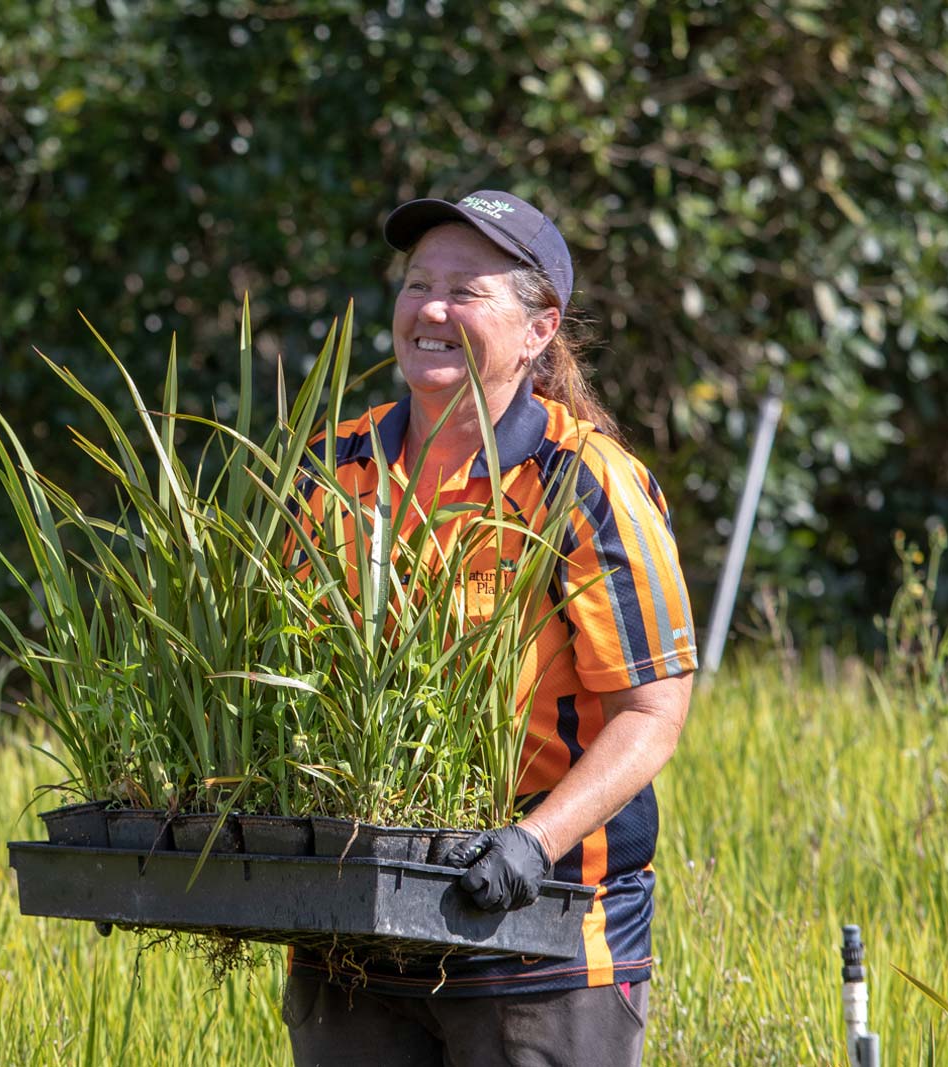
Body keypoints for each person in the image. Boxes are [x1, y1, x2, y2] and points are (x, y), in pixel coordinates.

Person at [283, 190, 700, 1067]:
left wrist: (529, 843)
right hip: (351, 938)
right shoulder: (333, 468)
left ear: (539, 329)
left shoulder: (584, 484)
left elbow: (651, 712)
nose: (430, 309)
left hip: (540, 941)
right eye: (416, 284)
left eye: (467, 292)